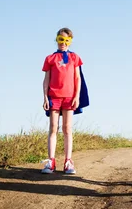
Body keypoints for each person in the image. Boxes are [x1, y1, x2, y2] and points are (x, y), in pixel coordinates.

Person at [40, 27, 88, 175]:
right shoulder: (50, 58)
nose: (63, 43)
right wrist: (45, 97)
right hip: (54, 96)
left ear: (70, 42)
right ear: (56, 40)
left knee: (67, 129)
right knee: (53, 128)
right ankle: (51, 161)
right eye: (61, 39)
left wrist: (76, 96)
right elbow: (46, 79)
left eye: (66, 40)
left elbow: (77, 78)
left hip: (69, 97)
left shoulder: (75, 58)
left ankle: (68, 161)